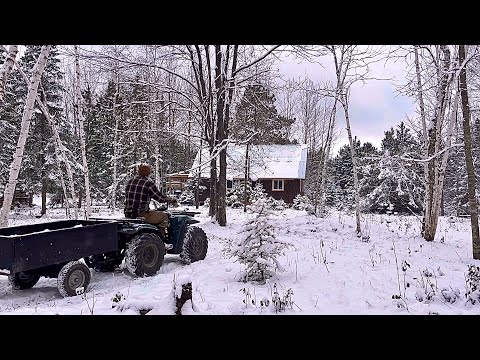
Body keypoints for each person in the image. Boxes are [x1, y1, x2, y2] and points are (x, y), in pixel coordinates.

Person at [124, 163, 177, 232]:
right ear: (148, 173)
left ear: (138, 171)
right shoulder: (148, 183)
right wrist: (171, 199)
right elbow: (160, 199)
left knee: (152, 212)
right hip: (141, 214)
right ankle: (161, 238)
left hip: (128, 214)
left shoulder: (130, 182)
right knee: (164, 217)